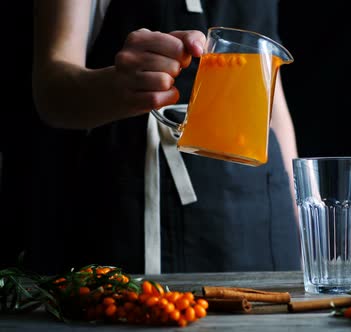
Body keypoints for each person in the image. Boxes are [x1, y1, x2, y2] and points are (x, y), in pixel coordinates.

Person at [31, 0, 300, 274]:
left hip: (264, 212)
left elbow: (272, 100)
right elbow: (50, 89)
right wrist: (116, 87)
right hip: (129, 203)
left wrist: (302, 217)